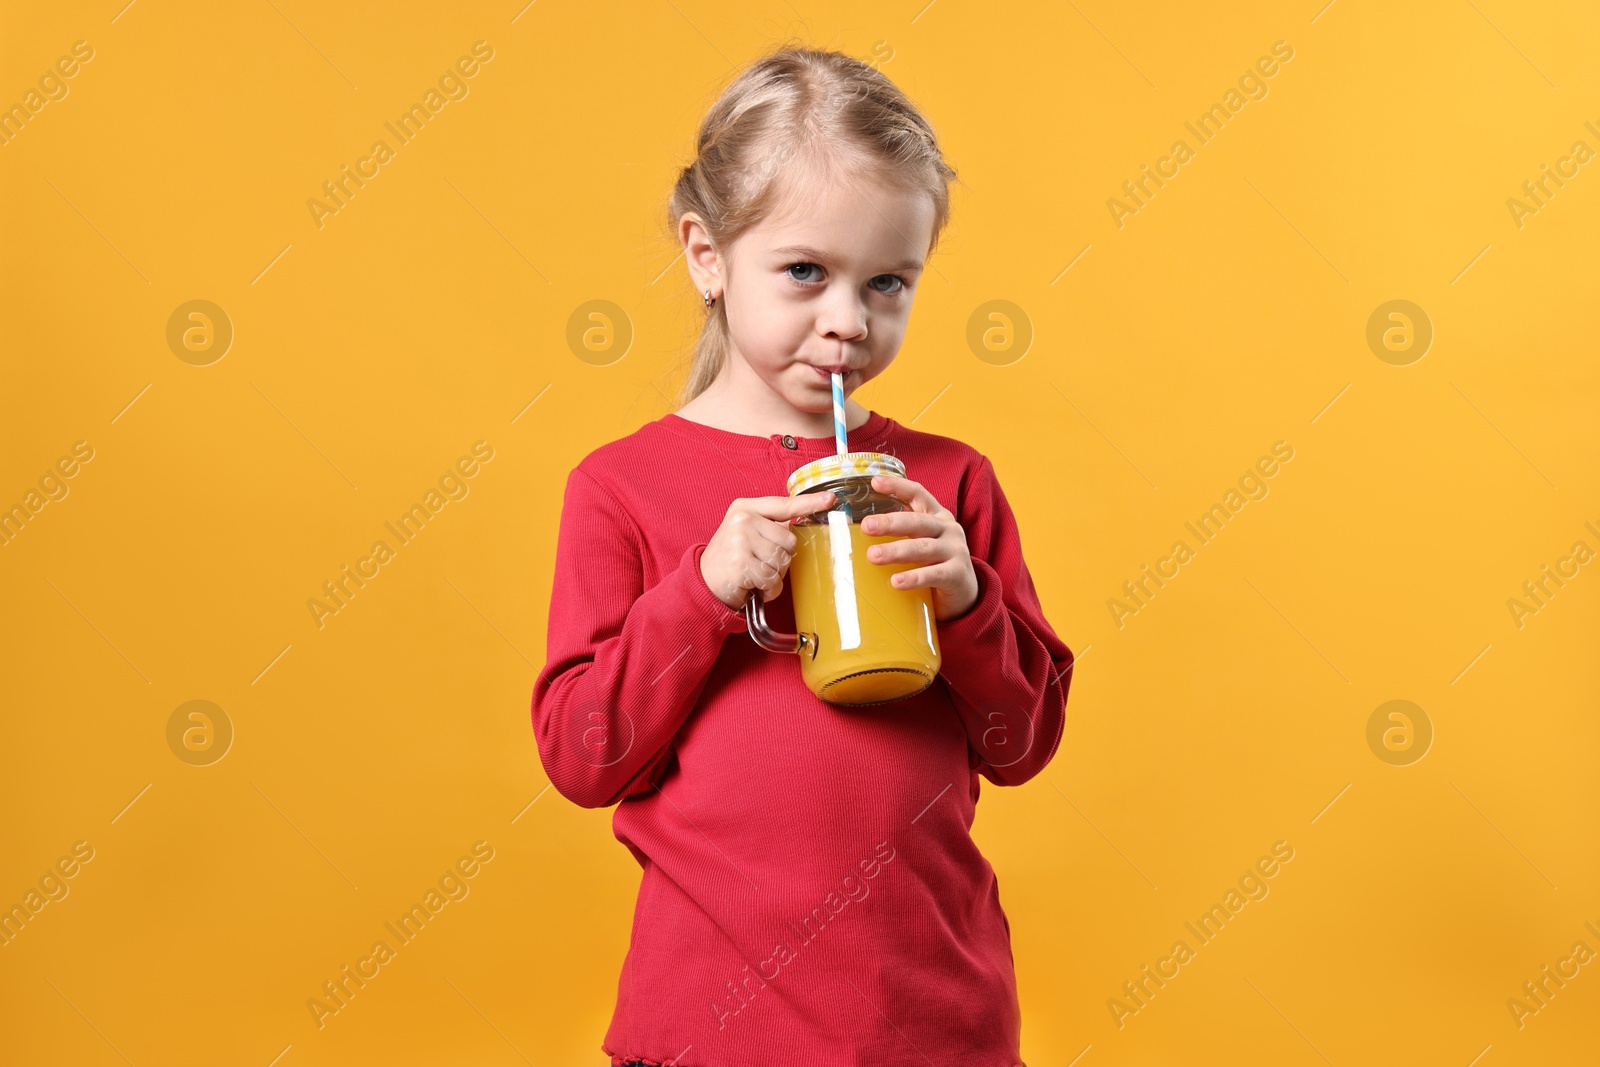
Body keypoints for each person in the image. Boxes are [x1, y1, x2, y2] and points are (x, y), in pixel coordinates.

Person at [530, 43, 1074, 1067]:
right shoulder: (619, 488)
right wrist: (697, 593)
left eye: (887, 284)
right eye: (804, 273)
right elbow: (582, 757)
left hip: (935, 1022)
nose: (845, 322)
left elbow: (1022, 742)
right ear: (705, 255)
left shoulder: (946, 482)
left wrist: (965, 601)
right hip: (708, 1029)